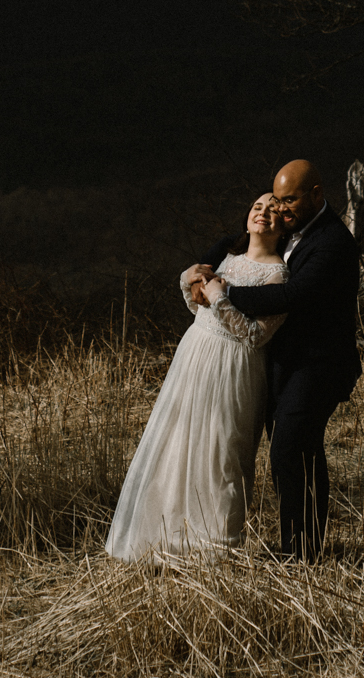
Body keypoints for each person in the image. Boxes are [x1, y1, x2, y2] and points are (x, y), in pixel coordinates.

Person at [181, 159, 361, 560]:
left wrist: (224, 292)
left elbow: (289, 297)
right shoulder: (292, 228)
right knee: (301, 450)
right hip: (286, 364)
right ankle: (304, 547)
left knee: (289, 447)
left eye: (290, 200)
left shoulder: (333, 242)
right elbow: (239, 240)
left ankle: (299, 553)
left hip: (320, 365)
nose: (281, 209)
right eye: (277, 200)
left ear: (316, 194)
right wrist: (205, 268)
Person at [104, 195, 289, 560]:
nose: (262, 213)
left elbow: (255, 336)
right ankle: (166, 537)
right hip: (195, 354)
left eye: (272, 209)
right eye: (257, 206)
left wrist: (220, 298)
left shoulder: (278, 273)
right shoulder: (227, 259)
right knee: (178, 442)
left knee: (222, 453)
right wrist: (188, 282)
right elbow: (200, 308)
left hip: (233, 366)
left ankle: (215, 548)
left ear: (284, 224)